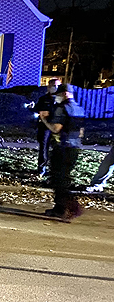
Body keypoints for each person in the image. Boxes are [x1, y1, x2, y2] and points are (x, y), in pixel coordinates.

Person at [40, 84, 85, 220]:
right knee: (63, 178)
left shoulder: (62, 108)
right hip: (75, 148)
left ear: (65, 94)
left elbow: (55, 128)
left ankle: (68, 207)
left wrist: (44, 119)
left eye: (58, 94)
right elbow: (81, 132)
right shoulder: (78, 109)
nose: (57, 97)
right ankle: (60, 208)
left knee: (57, 179)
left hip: (62, 147)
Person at [35, 78, 61, 177]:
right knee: (44, 147)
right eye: (54, 86)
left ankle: (55, 170)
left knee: (57, 148)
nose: (56, 88)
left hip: (58, 127)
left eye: (59, 85)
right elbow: (38, 110)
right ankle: (42, 168)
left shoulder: (62, 99)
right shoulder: (43, 99)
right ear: (49, 87)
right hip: (45, 126)